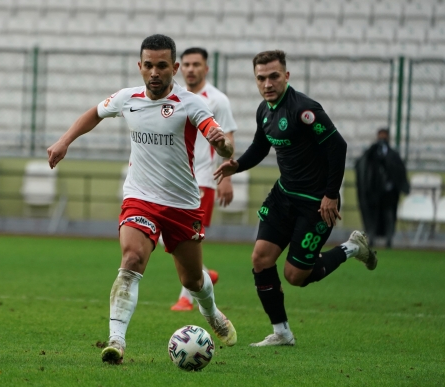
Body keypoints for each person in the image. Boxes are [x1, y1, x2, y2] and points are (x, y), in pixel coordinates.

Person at [47, 34, 237, 364]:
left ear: (174, 67)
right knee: (132, 259)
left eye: (162, 66)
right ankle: (116, 341)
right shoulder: (127, 97)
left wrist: (222, 147)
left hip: (181, 203)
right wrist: (65, 141)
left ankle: (211, 311)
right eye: (148, 65)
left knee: (191, 279)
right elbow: (94, 112)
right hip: (140, 197)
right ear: (139, 66)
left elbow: (218, 139)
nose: (154, 72)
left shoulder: (190, 102)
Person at [214, 50, 377, 347]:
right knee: (261, 259)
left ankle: (352, 247)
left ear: (286, 76)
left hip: (316, 203)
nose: (267, 83)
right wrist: (238, 165)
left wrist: (330, 195)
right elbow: (260, 146)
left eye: (274, 76)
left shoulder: (305, 109)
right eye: (261, 78)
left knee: (295, 275)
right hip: (284, 195)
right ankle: (282, 333)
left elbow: (337, 147)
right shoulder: (264, 110)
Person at [170, 47, 239, 311]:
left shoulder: (217, 100)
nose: (190, 69)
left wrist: (226, 177)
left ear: (206, 68)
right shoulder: (173, 96)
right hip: (174, 179)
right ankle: (204, 273)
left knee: (188, 236)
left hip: (202, 179)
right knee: (169, 234)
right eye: (186, 64)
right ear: (179, 67)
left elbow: (228, 137)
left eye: (196, 64)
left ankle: (187, 298)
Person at [355, 128, 409, 248]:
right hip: (373, 193)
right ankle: (371, 238)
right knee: (372, 216)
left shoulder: (393, 154)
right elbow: (362, 166)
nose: (382, 139)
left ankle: (389, 239)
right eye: (380, 136)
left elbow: (398, 170)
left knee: (389, 215)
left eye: (384, 136)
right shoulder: (371, 152)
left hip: (389, 193)